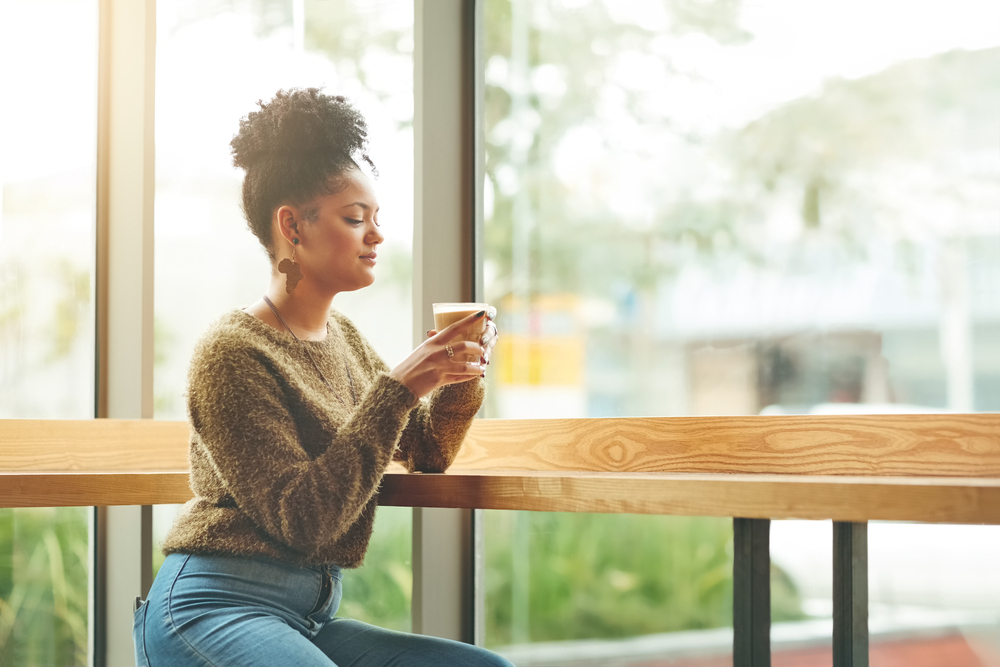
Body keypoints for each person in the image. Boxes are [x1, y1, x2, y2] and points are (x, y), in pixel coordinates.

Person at [133, 88, 510, 667]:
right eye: (356, 219)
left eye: (376, 219)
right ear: (292, 225)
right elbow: (303, 519)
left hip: (303, 618)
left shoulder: (347, 342)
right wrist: (400, 388)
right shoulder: (231, 354)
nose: (377, 236)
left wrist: (458, 374)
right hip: (211, 608)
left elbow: (426, 452)